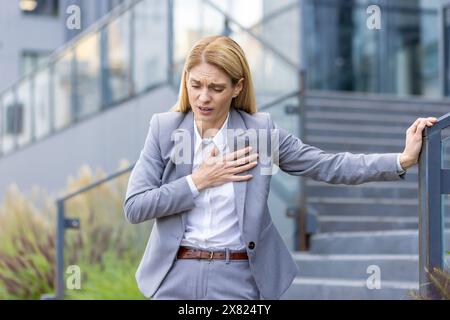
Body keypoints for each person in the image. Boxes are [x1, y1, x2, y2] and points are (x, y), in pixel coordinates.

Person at [123, 35, 437, 300]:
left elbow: (327, 164)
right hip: (176, 275)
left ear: (237, 87)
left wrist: (402, 159)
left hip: (237, 278)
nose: (203, 98)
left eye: (216, 88)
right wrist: (198, 180)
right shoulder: (164, 129)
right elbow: (135, 206)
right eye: (195, 85)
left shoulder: (260, 133)